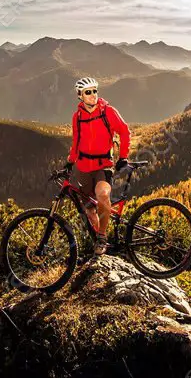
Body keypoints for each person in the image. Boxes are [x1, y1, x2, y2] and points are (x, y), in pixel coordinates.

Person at [62, 76, 131, 256]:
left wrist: (123, 156)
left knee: (103, 195)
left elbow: (124, 131)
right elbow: (76, 142)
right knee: (89, 209)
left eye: (94, 91)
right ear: (80, 95)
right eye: (88, 92)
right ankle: (102, 238)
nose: (93, 95)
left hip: (104, 165)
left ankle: (102, 238)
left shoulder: (108, 111)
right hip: (83, 168)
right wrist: (70, 162)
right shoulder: (77, 117)